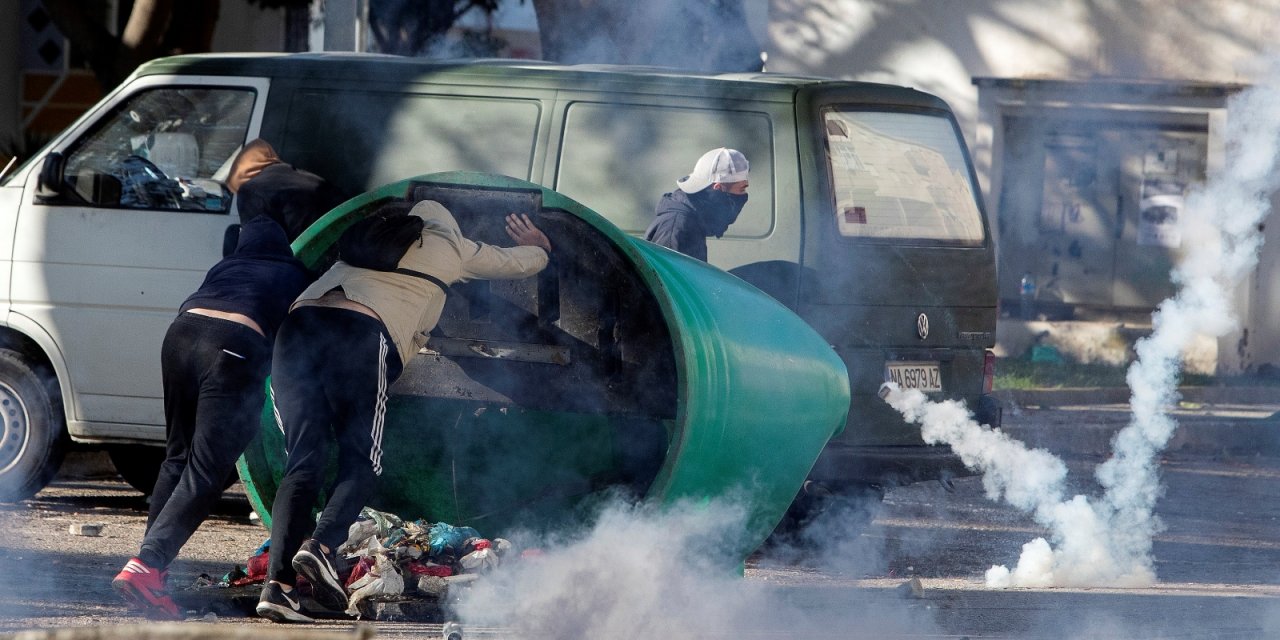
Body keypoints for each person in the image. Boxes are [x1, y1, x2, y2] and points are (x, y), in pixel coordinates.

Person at [256, 199, 553, 623]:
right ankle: (320, 547)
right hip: (358, 334)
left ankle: (278, 588)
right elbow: (517, 263)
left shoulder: (366, 240)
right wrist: (540, 247)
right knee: (363, 461)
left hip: (297, 329)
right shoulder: (451, 244)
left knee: (303, 463)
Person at [111, 214, 316, 620]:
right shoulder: (294, 271)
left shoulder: (225, 266)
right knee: (206, 470)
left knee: (177, 457)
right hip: (232, 346)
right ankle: (147, 566)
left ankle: (153, 571)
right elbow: (304, 340)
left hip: (180, 337)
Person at [228, 138, 348, 242]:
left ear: (240, 175)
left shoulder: (251, 191)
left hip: (307, 255)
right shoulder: (307, 177)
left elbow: (255, 243)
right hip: (344, 244)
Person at [643, 147, 750, 262]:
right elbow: (667, 278)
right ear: (718, 188)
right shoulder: (677, 228)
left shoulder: (694, 220)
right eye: (741, 189)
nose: (744, 194)